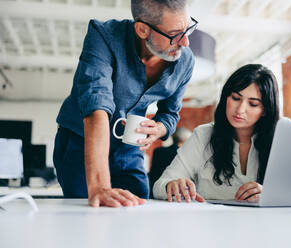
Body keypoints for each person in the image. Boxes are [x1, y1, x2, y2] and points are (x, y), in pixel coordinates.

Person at [53, 0, 196, 208]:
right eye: (175, 34)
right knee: (88, 211)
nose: (186, 43)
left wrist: (159, 128)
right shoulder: (103, 36)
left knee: (138, 206)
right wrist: (101, 187)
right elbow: (97, 107)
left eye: (189, 29)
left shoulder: (185, 60)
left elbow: (170, 114)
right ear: (142, 29)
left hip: (129, 148)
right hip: (82, 141)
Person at [153, 64, 280, 202]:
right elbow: (160, 185)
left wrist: (271, 195)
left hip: (263, 222)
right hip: (211, 221)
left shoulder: (280, 140)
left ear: (265, 110)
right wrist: (171, 186)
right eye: (236, 98)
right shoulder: (203, 135)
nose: (240, 109)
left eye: (253, 104)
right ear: (226, 98)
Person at [148, 127, 191, 197]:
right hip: (174, 192)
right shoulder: (183, 155)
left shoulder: (158, 151)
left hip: (153, 190)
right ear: (186, 140)